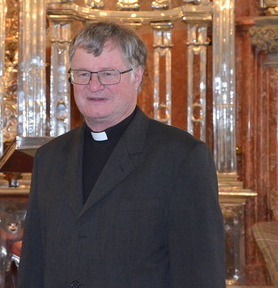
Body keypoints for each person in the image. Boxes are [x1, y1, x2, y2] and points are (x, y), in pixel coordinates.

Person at [17, 21, 225, 287]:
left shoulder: (181, 157)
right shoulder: (49, 157)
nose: (93, 86)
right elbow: (33, 263)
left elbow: (200, 273)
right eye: (83, 74)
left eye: (107, 74)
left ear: (136, 76)